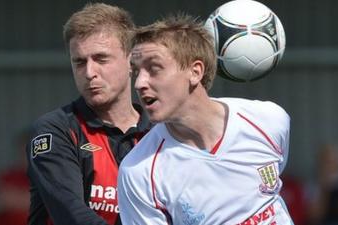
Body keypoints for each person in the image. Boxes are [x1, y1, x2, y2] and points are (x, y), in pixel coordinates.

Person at [117, 14, 293, 224]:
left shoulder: (269, 120)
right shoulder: (139, 172)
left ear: (195, 71)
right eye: (136, 72)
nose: (139, 83)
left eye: (154, 68)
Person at [26, 3, 150, 225]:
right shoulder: (55, 130)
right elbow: (71, 215)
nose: (90, 73)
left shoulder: (161, 132)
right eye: (80, 62)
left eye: (101, 59)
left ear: (131, 61)